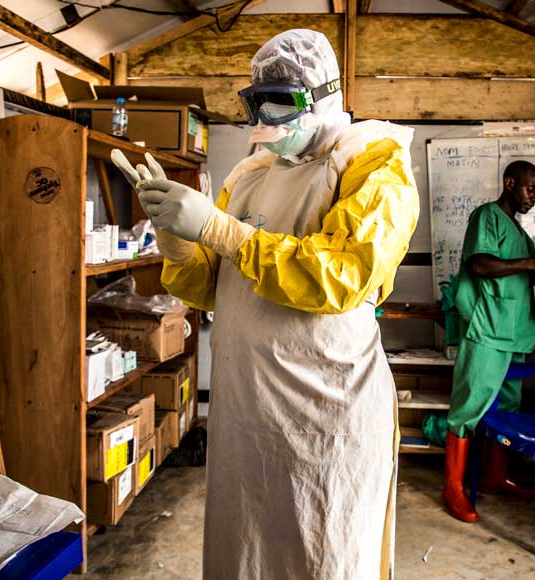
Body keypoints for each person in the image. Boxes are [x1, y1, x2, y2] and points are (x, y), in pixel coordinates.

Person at [112, 29, 418, 580]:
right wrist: (178, 236)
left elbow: (341, 276)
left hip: (326, 412)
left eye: (282, 100)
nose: (267, 117)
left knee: (323, 548)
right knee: (246, 550)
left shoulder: (374, 165)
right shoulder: (248, 174)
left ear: (324, 93)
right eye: (258, 100)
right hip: (247, 411)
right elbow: (212, 286)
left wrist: (220, 229)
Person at [442, 160, 535, 523]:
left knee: (506, 407)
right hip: (489, 329)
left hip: (513, 333)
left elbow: (515, 275)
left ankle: (495, 476)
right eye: (530, 189)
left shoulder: (520, 233)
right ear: (510, 183)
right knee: (469, 407)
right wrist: (532, 264)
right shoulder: (487, 216)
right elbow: (479, 265)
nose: (534, 197)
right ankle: (453, 487)